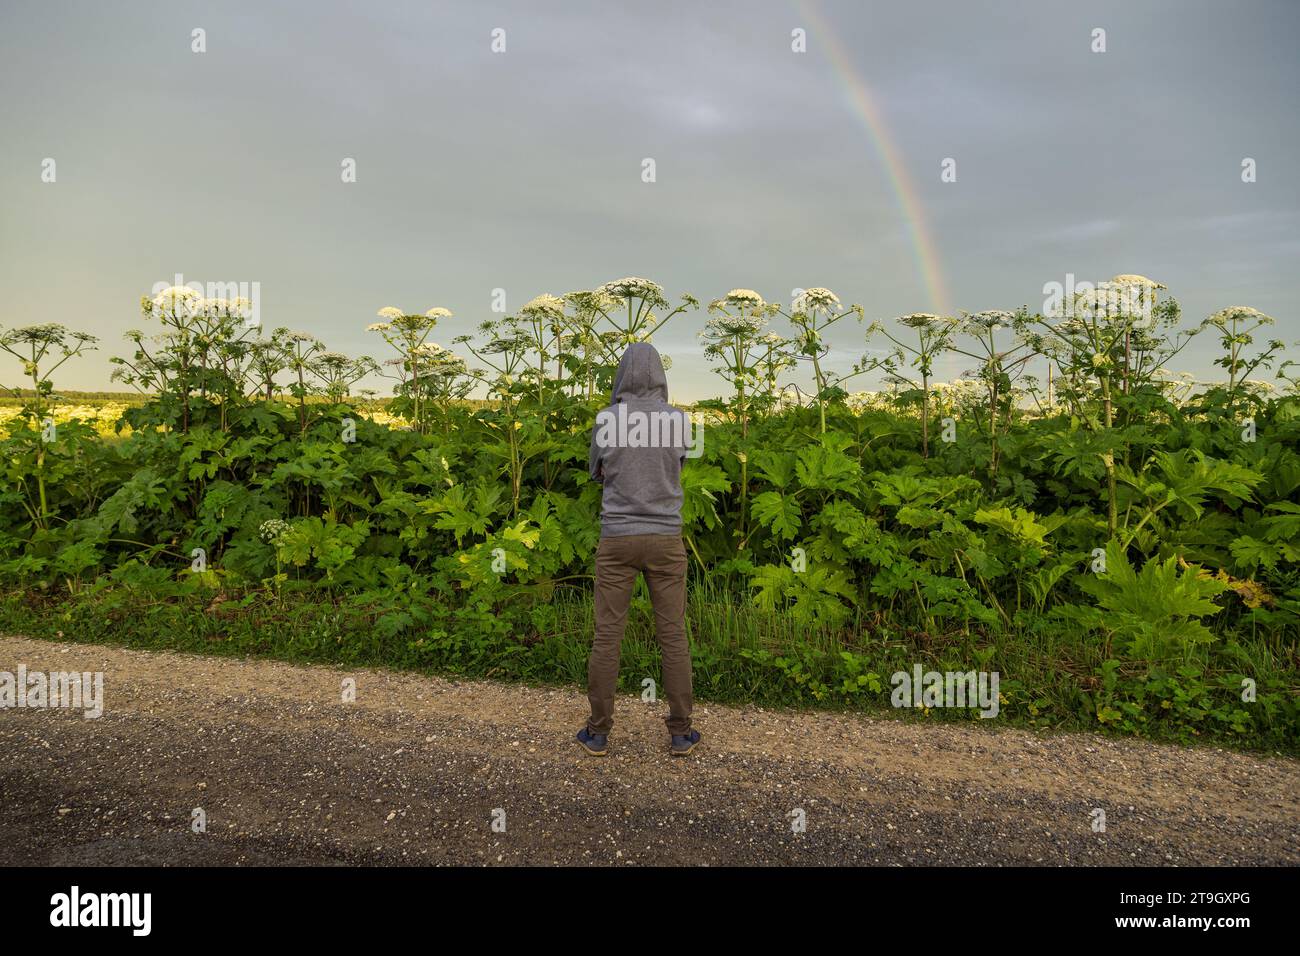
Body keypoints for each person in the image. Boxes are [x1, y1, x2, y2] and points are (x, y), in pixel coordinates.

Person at [577, 342, 700, 756]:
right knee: (673, 635)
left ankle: (598, 732)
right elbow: (677, 469)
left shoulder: (606, 420)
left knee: (608, 634)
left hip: (618, 537)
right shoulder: (679, 421)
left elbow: (596, 471)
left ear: (622, 375)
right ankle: (681, 732)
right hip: (666, 538)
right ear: (661, 375)